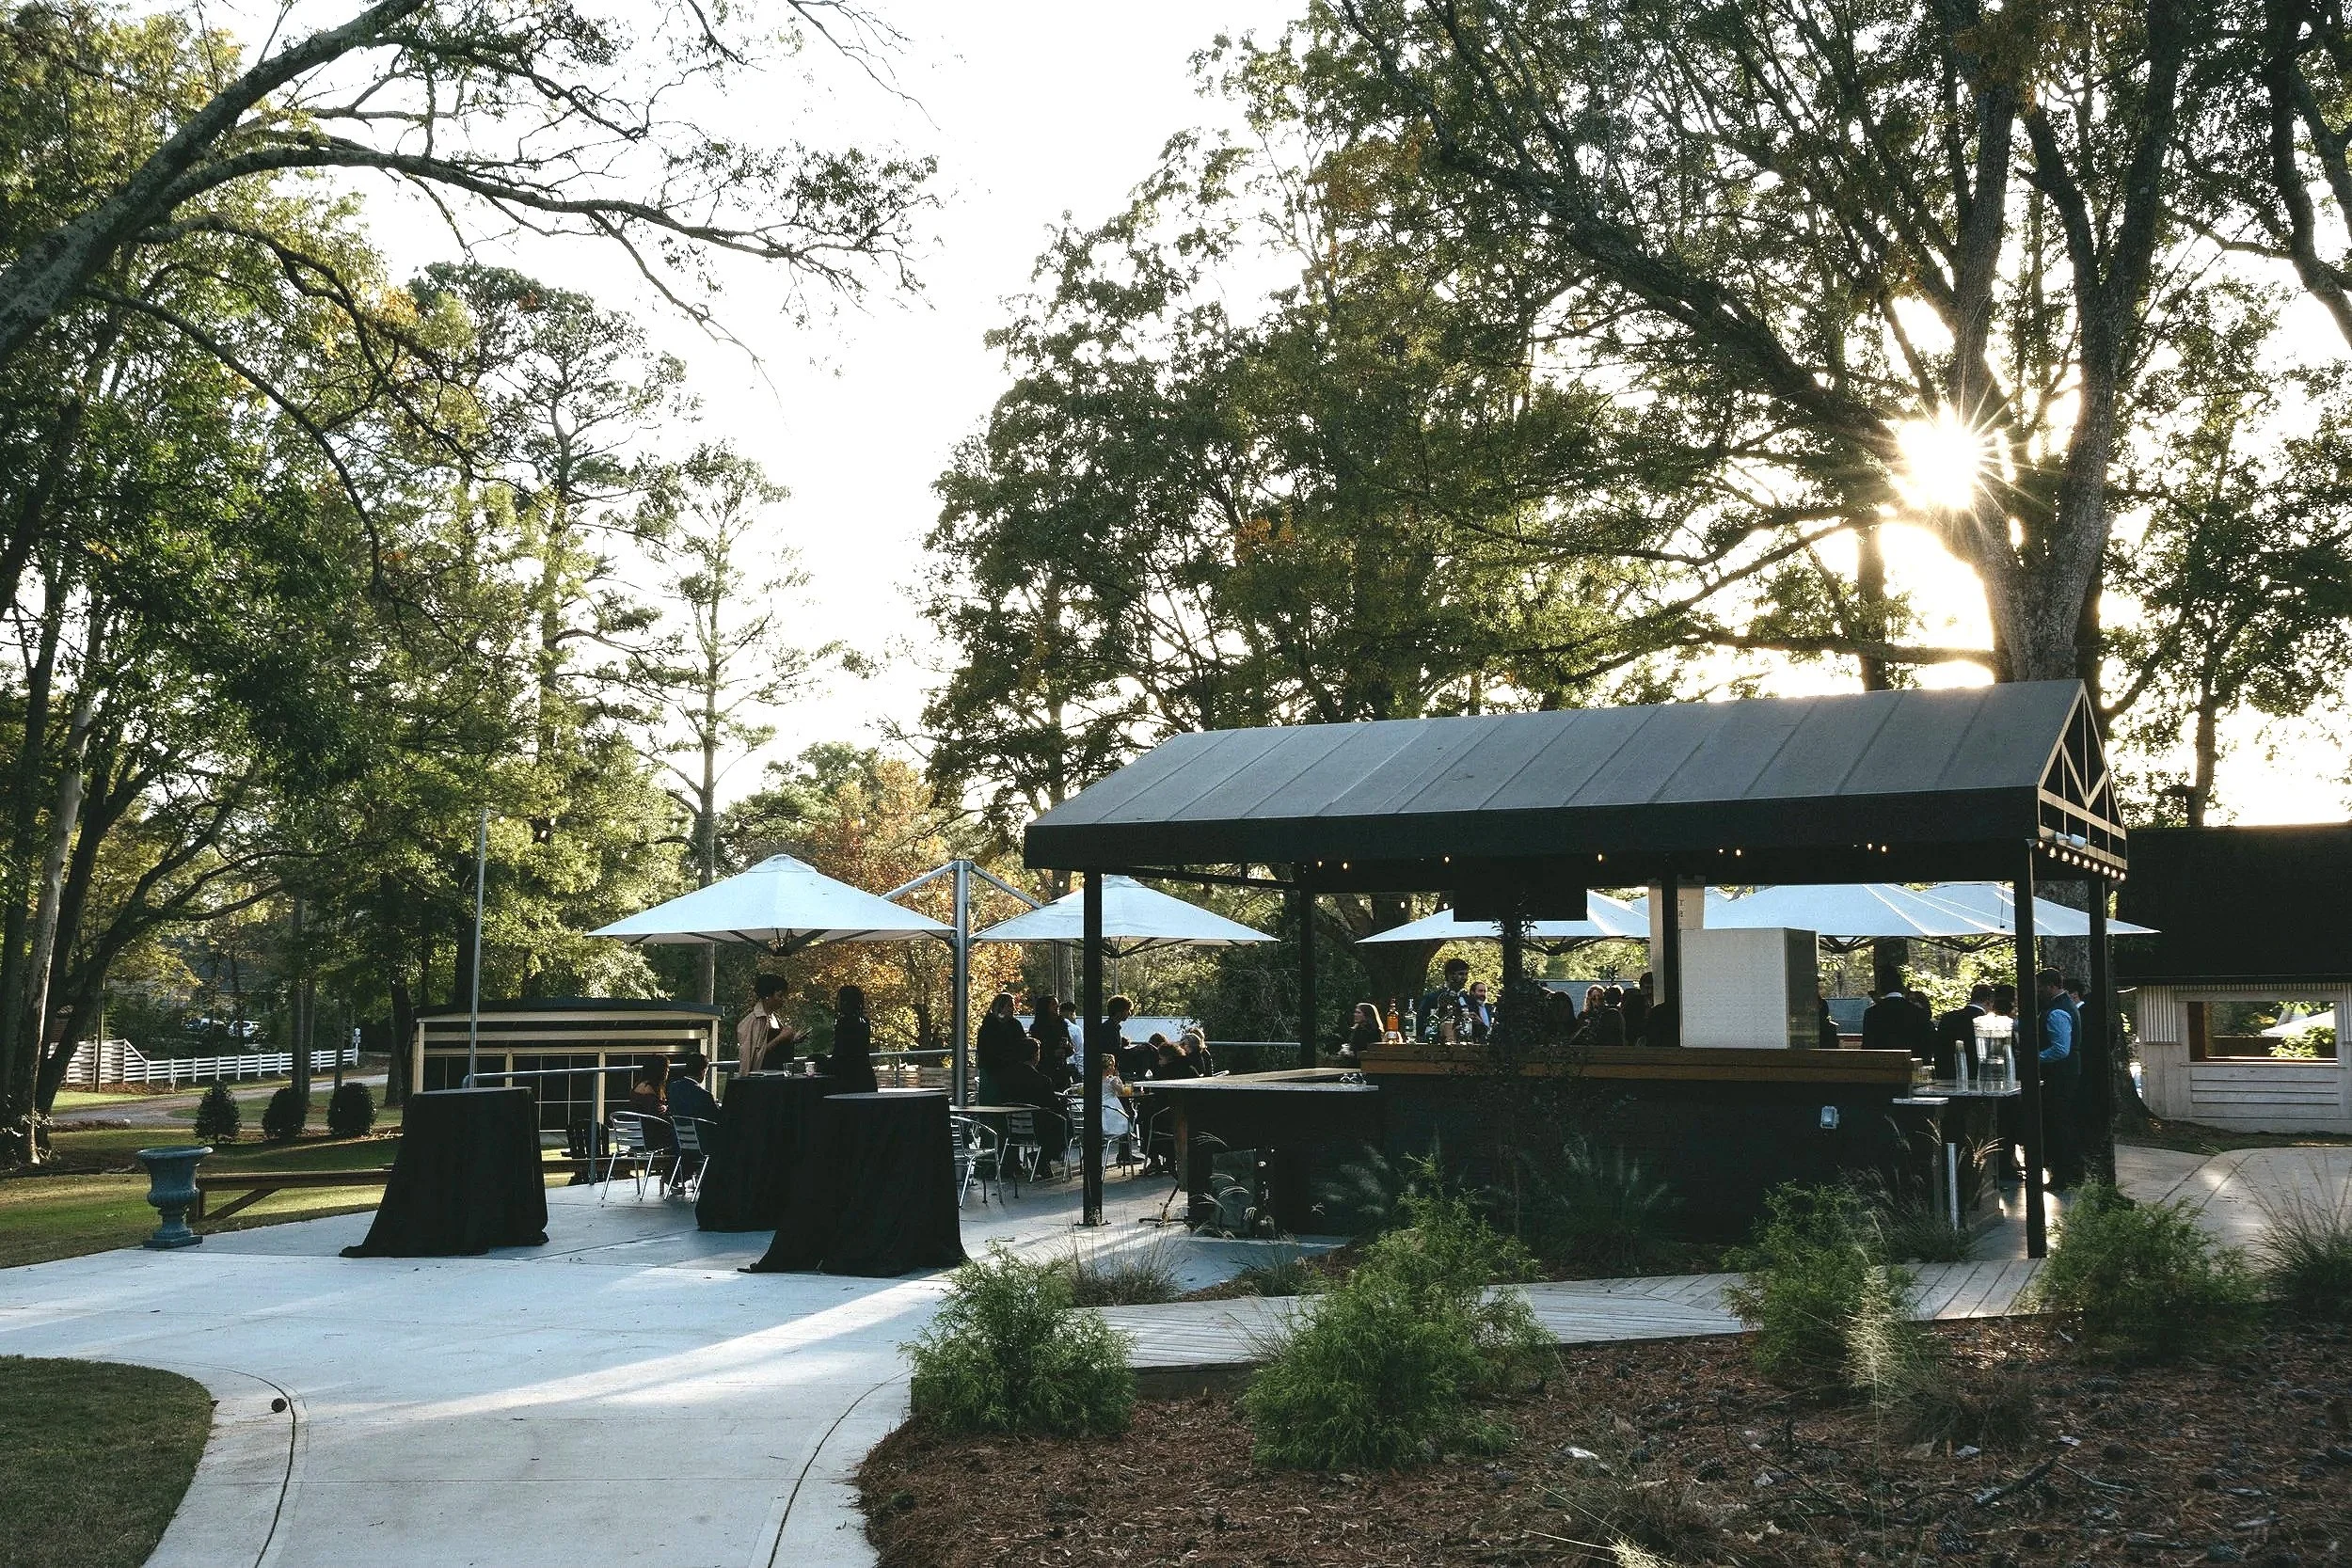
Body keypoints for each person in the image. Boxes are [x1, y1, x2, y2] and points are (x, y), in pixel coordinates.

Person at [2035, 968, 2082, 1188]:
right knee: (2064, 1123)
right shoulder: (2065, 1007)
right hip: (2067, 1073)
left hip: (2059, 1076)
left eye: (2040, 987)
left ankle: (2063, 1175)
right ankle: (2070, 1172)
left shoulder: (2057, 1012)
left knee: (2058, 1124)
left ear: (2051, 986)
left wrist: (2033, 1057)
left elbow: (2060, 1049)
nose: (2038, 991)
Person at [994, 1040, 1071, 1177]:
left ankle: (1038, 1160)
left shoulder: (1006, 1078)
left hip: (1012, 1126)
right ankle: (1042, 1158)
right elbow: (1052, 1105)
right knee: (1066, 1124)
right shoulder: (1042, 1080)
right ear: (1036, 1055)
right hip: (1038, 1126)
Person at [664, 1053, 720, 1188]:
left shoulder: (673, 1088)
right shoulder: (705, 1096)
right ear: (703, 1071)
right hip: (701, 1145)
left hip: (679, 1142)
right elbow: (718, 1119)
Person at [736, 974, 800, 1075]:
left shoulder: (774, 1017)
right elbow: (753, 1055)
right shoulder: (753, 1020)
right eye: (780, 995)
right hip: (763, 1077)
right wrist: (781, 1037)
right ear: (767, 996)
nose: (783, 999)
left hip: (780, 1074)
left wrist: (792, 1039)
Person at [974, 990, 1029, 1103]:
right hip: (992, 1070)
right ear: (1000, 1007)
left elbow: (1022, 1044)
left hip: (1009, 1070)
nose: (1012, 1009)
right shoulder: (989, 1026)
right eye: (1009, 1006)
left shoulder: (1014, 1025)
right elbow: (985, 1049)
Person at [826, 985, 879, 1097]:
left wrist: (823, 1064)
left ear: (845, 1002)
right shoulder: (864, 1022)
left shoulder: (843, 1023)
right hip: (865, 1075)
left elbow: (841, 1054)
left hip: (849, 1079)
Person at [1935, 985, 1994, 1080]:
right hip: (1976, 1076)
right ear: (1989, 1003)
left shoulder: (1948, 1017)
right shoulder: (1986, 1022)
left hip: (1947, 1075)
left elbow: (1939, 1049)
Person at [1419, 958, 1473, 1040]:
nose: (1465, 978)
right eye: (1461, 974)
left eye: (1466, 974)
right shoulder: (1432, 998)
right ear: (1450, 975)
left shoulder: (1469, 1000)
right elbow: (1420, 1025)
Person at [1029, 994, 1075, 1087]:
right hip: (1045, 1071)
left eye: (1057, 1004)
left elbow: (1071, 1050)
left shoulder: (1062, 1025)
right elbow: (1035, 1052)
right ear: (1045, 1007)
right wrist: (1052, 1054)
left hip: (1062, 1073)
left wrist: (1067, 1046)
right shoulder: (1036, 1028)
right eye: (1053, 1004)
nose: (1057, 1007)